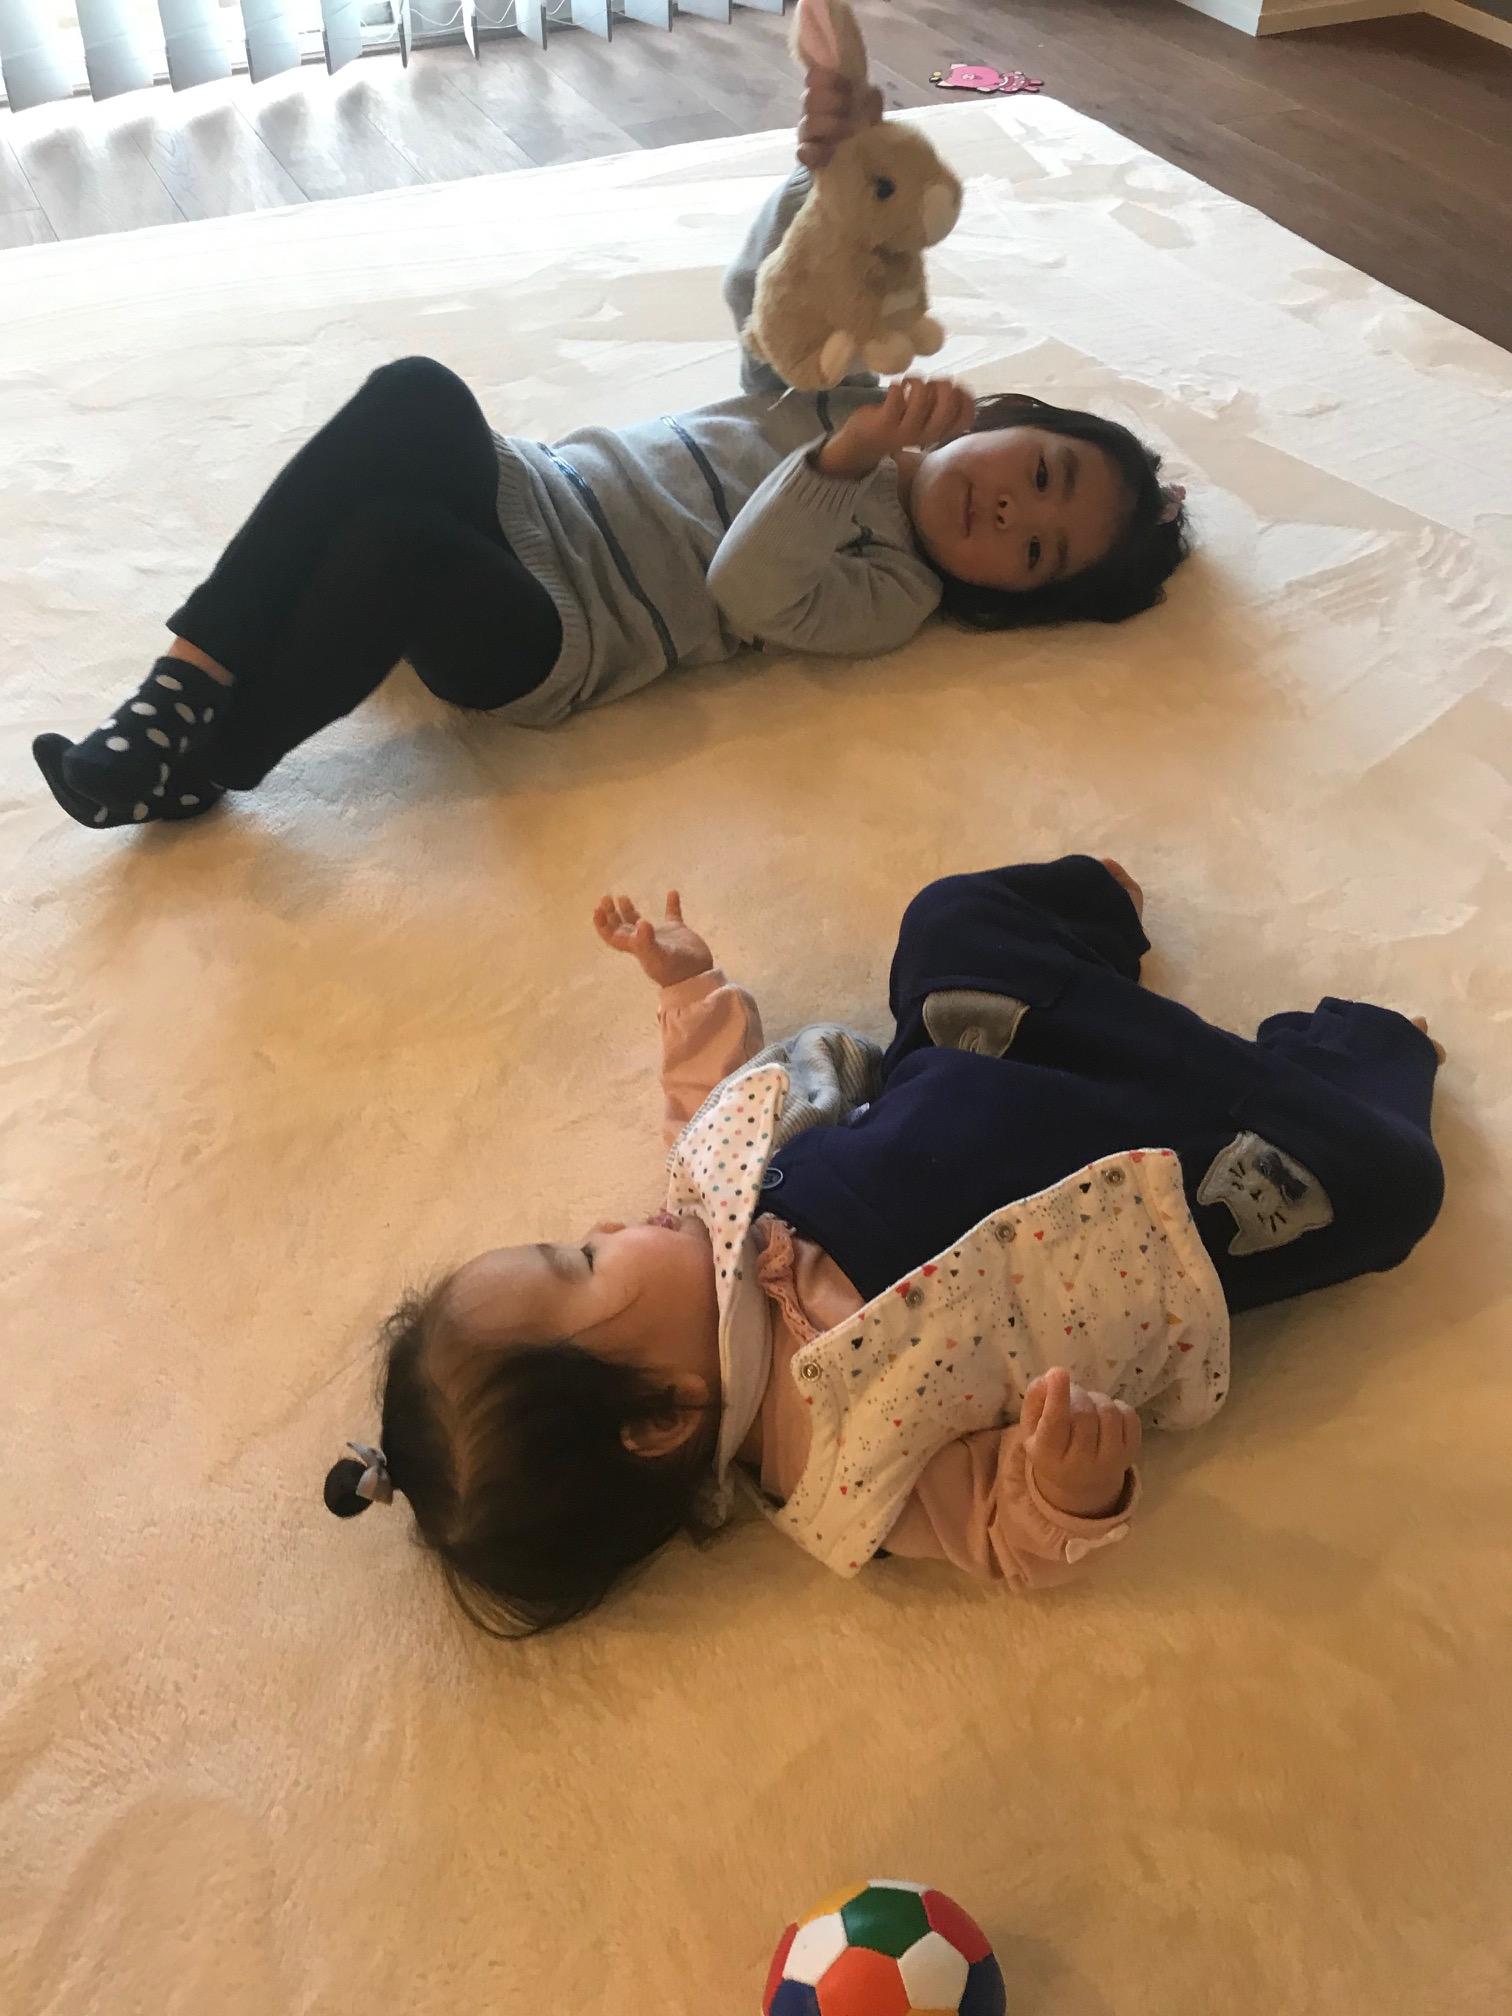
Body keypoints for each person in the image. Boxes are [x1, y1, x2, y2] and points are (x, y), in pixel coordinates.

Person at [33, 74, 1189, 833]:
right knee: (419, 393)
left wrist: (845, 463)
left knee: (395, 544)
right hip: (535, 491)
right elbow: (768, 308)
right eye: (1042, 476)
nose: (1012, 515)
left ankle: (212, 761)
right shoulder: (846, 390)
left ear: (1003, 600)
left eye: (1036, 555)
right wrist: (822, 181)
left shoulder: (894, 593)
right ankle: (177, 690)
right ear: (1007, 420)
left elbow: (750, 584)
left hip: (556, 635)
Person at [322, 855, 1445, 1636]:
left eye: (570, 1239)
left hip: (991, 1056)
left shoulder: (701, 1212)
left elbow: (712, 1097)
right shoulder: (837, 1467)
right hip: (1150, 1188)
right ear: (661, 1416)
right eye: (582, 1263)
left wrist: (687, 986)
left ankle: (1090, 913)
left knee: (947, 923)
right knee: (1381, 1187)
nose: (610, 1226)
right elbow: (994, 1532)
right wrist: (1066, 1487)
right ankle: (1351, 1060)